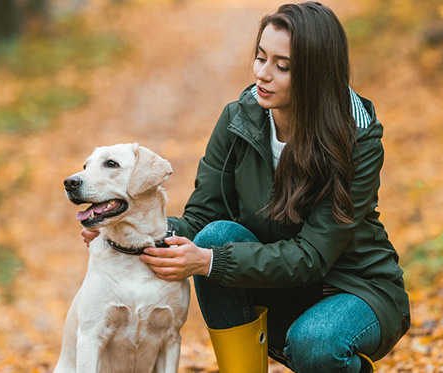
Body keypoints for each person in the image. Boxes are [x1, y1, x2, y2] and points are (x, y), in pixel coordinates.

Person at [83, 2, 409, 372]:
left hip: (354, 287)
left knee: (315, 342)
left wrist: (209, 262)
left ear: (316, 74)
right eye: (260, 58)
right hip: (276, 284)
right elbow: (203, 216)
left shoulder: (356, 139)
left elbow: (313, 257)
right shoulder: (238, 119)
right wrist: (129, 231)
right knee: (215, 234)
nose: (263, 75)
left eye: (282, 66)